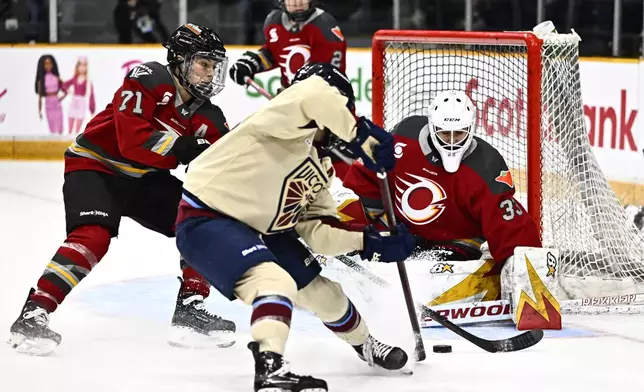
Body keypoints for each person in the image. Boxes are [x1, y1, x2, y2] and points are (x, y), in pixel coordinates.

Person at [176, 62, 416, 392]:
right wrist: (362, 135)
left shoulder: (322, 164)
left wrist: (370, 242)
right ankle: (270, 369)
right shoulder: (282, 117)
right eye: (341, 108)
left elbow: (317, 232)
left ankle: (366, 345)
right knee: (274, 282)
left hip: (266, 229)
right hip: (209, 216)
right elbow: (313, 93)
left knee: (325, 294)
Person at [9, 23, 235, 356]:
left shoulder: (210, 118)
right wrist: (188, 148)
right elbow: (133, 142)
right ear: (180, 59)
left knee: (203, 224)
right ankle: (33, 313)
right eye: (204, 63)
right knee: (93, 237)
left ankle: (189, 311)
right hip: (96, 166)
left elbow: (227, 166)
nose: (210, 73)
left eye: (215, 66)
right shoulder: (148, 78)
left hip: (144, 179)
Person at [341, 90, 542, 285]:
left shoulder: (487, 164)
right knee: (337, 212)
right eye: (446, 134)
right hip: (402, 228)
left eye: (459, 134)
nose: (452, 142)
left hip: (458, 241)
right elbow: (367, 176)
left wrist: (524, 275)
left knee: (423, 275)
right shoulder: (405, 137)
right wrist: (383, 225)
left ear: (471, 129)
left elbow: (511, 227)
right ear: (432, 127)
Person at [229, 0, 347, 90]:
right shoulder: (274, 22)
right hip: (292, 102)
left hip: (325, 103)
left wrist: (291, 99)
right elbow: (275, 54)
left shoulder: (324, 26)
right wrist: (253, 63)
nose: (297, 3)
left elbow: (326, 78)